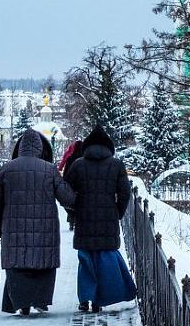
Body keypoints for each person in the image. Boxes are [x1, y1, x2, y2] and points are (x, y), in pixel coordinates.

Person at [0, 129, 75, 316]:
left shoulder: (7, 169)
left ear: (19, 148)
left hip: (13, 230)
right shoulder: (49, 169)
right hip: (44, 230)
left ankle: (22, 303)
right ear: (40, 148)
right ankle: (40, 300)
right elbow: (67, 198)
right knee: (42, 263)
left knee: (18, 264)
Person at [65, 126, 136, 313]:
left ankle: (84, 299)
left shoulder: (78, 165)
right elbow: (124, 193)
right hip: (108, 220)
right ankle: (99, 300)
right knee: (104, 260)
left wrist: (73, 212)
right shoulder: (117, 165)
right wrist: (117, 213)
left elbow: (67, 193)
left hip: (84, 219)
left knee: (86, 260)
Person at [58, 139, 84, 230]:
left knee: (70, 202)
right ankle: (77, 219)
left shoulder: (70, 157)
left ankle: (71, 219)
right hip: (81, 183)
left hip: (70, 182)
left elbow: (65, 168)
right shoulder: (84, 158)